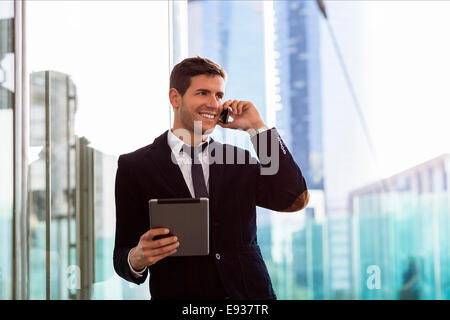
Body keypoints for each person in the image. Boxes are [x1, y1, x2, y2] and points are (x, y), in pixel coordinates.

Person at [113, 56, 309, 300]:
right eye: (203, 93)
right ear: (175, 98)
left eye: (218, 95)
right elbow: (122, 255)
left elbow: (293, 197)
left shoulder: (240, 160)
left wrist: (256, 128)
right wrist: (138, 257)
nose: (214, 104)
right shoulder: (135, 166)